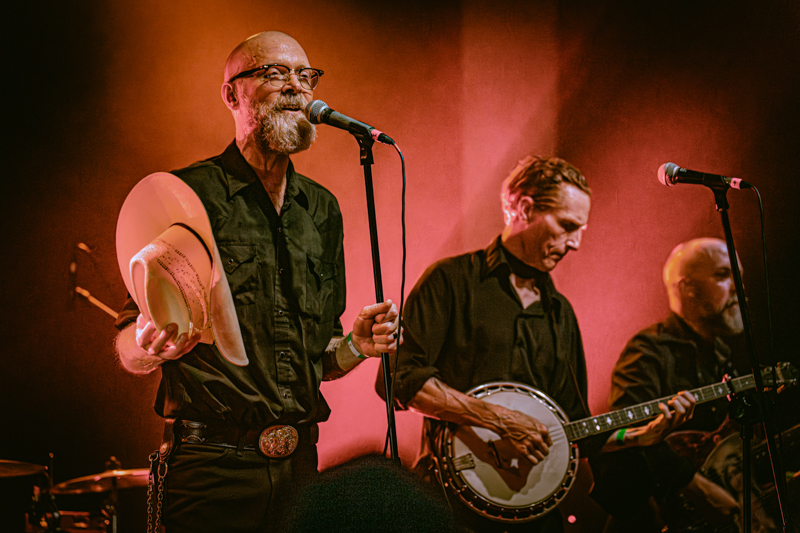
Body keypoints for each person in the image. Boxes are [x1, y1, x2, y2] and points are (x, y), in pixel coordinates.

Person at [114, 31, 399, 533]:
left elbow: (320, 360)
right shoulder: (188, 194)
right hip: (211, 470)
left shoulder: (322, 208)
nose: (296, 87)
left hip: (300, 466)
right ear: (231, 94)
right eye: (275, 73)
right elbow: (127, 342)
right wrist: (147, 344)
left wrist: (354, 346)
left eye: (305, 76)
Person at [384, 155, 596, 533]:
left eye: (580, 229)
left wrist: (640, 433)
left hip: (534, 514)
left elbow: (574, 421)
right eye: (567, 226)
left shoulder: (560, 311)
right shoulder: (450, 280)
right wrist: (500, 419)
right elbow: (401, 380)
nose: (576, 243)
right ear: (526, 209)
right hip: (451, 508)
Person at [589, 237, 743, 532]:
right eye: (723, 275)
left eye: (740, 277)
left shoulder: (721, 353)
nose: (738, 288)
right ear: (688, 288)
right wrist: (697, 488)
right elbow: (627, 434)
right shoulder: (649, 350)